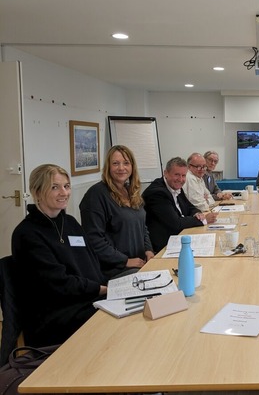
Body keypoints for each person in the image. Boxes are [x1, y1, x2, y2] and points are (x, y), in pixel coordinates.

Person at [12, 164, 107, 346]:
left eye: (66, 186)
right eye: (55, 187)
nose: (64, 193)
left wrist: (108, 288)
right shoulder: (27, 233)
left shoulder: (69, 222)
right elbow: (58, 283)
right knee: (112, 320)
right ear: (37, 192)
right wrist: (101, 289)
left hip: (84, 299)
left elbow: (92, 263)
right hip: (54, 315)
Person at [80, 145, 155, 279]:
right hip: (115, 270)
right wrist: (125, 261)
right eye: (115, 163)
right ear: (108, 167)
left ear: (132, 166)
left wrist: (148, 250)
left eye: (126, 163)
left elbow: (142, 227)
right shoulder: (96, 195)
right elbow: (94, 240)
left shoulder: (132, 192)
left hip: (139, 263)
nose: (121, 168)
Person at [143, 157, 217, 251]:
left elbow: (189, 207)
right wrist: (204, 220)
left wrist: (197, 213)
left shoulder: (175, 186)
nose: (181, 179)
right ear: (165, 173)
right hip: (163, 246)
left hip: (177, 238)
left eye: (183, 175)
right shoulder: (157, 193)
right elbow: (176, 223)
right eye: (177, 175)